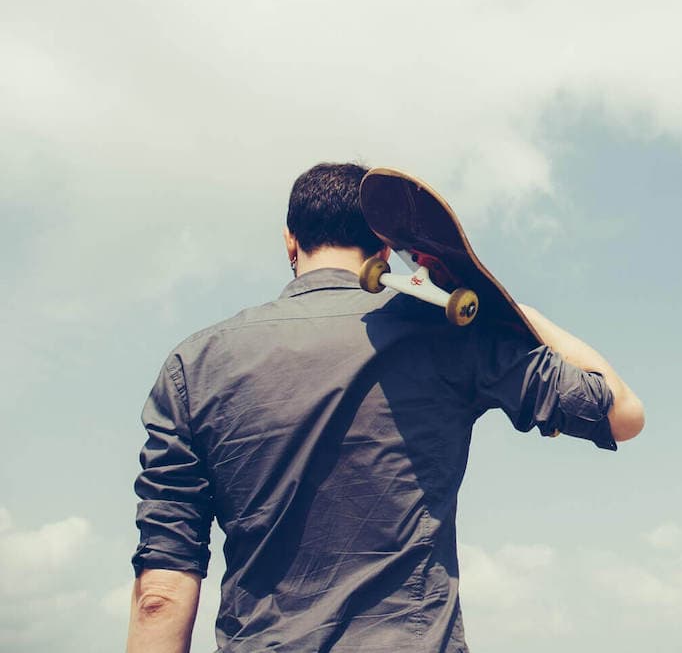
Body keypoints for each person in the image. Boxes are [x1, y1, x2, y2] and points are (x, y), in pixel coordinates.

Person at [126, 162, 644, 652]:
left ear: (290, 240)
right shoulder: (448, 333)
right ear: (385, 244)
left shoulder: (192, 366)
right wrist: (516, 313)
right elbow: (621, 413)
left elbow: (160, 593)